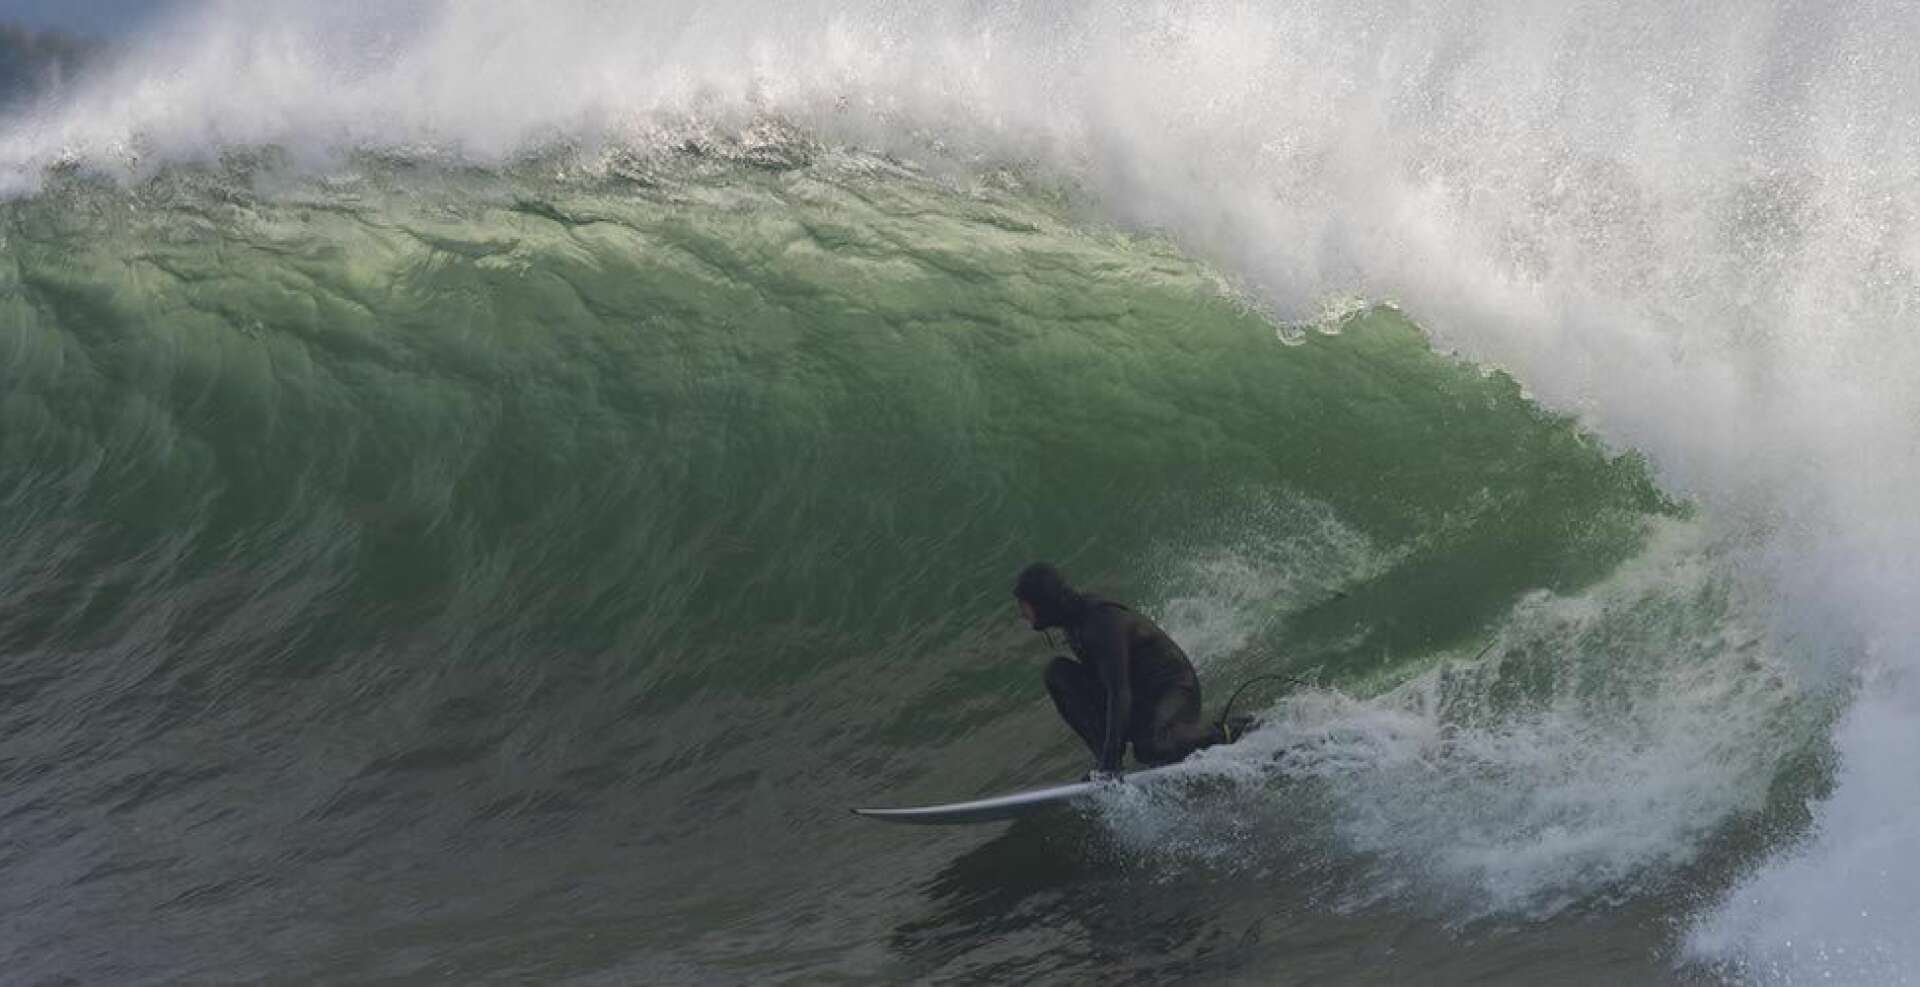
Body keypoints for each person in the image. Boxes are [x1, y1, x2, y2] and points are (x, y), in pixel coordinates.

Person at [1014, 562, 1246, 780]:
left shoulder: (1100, 621)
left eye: (1025, 605)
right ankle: (1105, 762)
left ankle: (1224, 731)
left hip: (1174, 690)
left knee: (1151, 747)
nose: (1022, 613)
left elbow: (1119, 691)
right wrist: (1107, 757)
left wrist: (1111, 757)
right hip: (1140, 696)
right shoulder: (1073, 623)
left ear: (1043, 601)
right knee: (1057, 673)